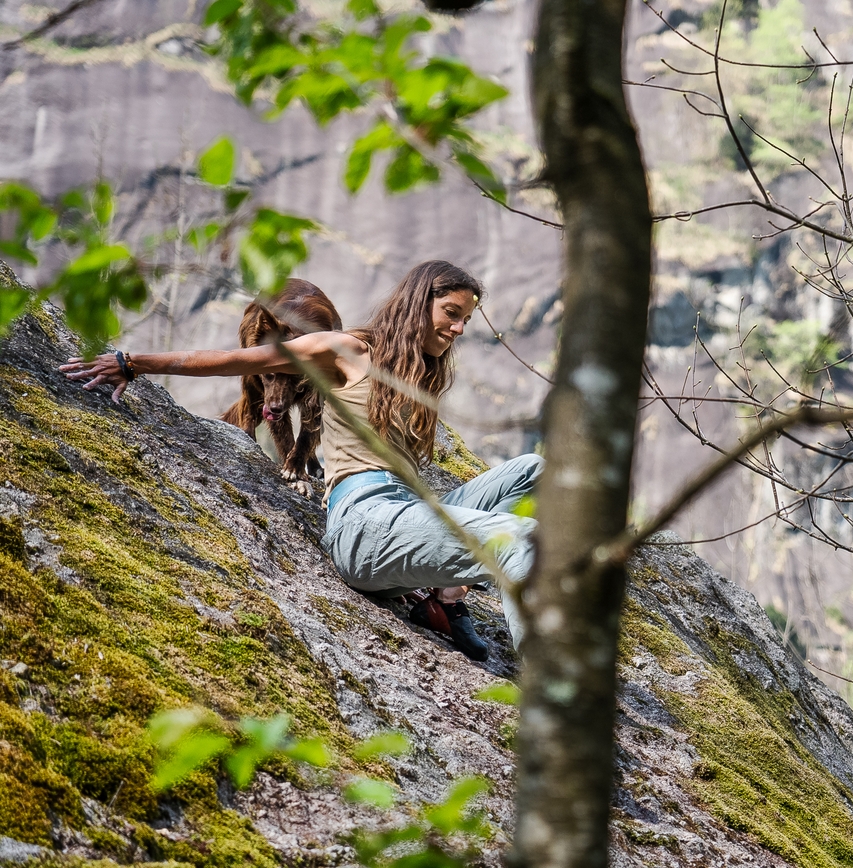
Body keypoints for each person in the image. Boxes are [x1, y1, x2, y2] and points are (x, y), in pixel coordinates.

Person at [61, 260, 538, 661]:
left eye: (464, 322)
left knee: (535, 471)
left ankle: (447, 596)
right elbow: (241, 359)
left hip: (409, 515)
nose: (457, 329)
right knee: (518, 538)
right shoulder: (350, 350)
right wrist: (134, 361)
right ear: (418, 303)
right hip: (367, 523)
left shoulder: (422, 376)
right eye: (450, 313)